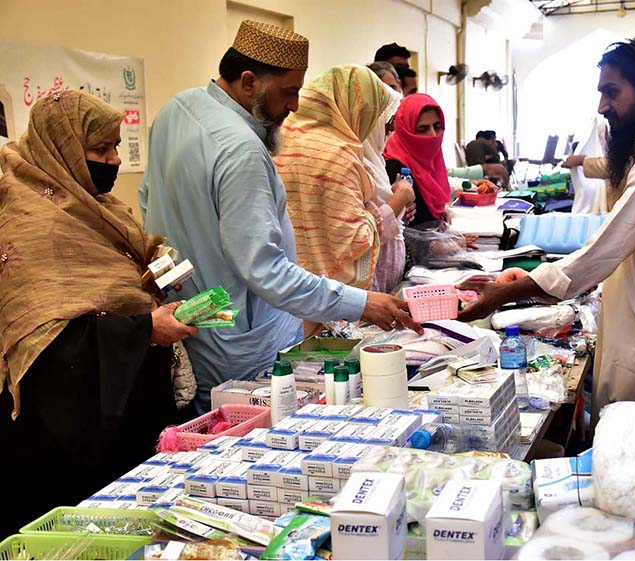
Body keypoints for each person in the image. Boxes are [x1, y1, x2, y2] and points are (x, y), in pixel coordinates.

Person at [139, 21, 420, 413]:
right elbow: (266, 269)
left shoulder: (175, 111)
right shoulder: (240, 149)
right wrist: (360, 303)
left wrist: (182, 285)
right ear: (250, 82)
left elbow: (148, 205)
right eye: (288, 93)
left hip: (195, 324)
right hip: (241, 346)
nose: (294, 106)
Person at [459, 37, 635, 422]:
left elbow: (607, 247)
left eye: (611, 92)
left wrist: (508, 292)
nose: (603, 106)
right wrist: (533, 278)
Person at [0, 91, 197, 538]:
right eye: (100, 150)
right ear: (64, 148)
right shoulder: (31, 221)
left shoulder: (94, 206)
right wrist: (147, 328)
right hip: (68, 426)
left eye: (115, 147)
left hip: (127, 407)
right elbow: (50, 341)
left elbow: (115, 273)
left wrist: (154, 267)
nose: (112, 160)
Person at [275, 66, 414, 294]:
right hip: (327, 296)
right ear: (361, 111)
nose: (387, 129)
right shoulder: (338, 154)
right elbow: (354, 241)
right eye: (379, 117)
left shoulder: (285, 140)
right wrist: (397, 201)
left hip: (291, 287)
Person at [384, 93, 453, 227]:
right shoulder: (395, 169)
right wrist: (439, 246)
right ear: (406, 130)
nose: (433, 135)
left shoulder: (432, 161)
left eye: (437, 127)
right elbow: (403, 233)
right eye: (423, 129)